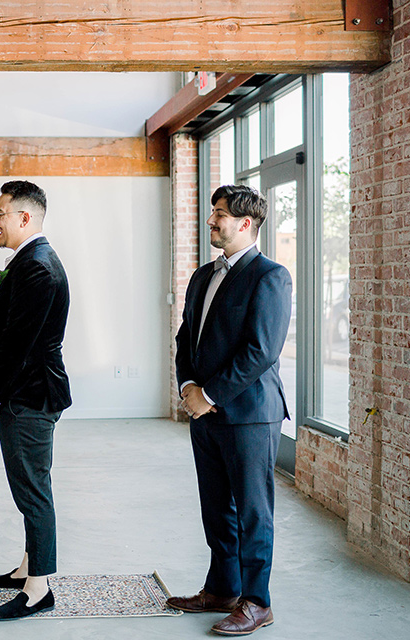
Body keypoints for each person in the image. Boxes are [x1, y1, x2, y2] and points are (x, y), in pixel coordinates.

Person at [169, 184, 292, 636]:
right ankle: (223, 588)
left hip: (250, 415)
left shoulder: (270, 276)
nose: (211, 221)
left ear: (245, 223)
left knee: (253, 511)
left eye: (219, 214)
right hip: (204, 412)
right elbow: (186, 338)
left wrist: (210, 394)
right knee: (216, 506)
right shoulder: (202, 275)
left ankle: (257, 602)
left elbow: (260, 350)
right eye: (212, 212)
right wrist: (187, 386)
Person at [0, 180, 72, 621]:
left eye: (0, 212)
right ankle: (27, 567)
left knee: (33, 491)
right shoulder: (30, 261)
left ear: (24, 217)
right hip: (26, 391)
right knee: (29, 486)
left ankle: (38, 589)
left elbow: (18, 345)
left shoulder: (38, 267)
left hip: (30, 395)